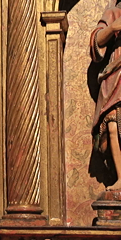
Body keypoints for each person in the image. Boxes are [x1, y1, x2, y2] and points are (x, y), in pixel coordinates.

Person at [90, 0, 121, 191]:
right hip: (116, 73)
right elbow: (96, 39)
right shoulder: (114, 12)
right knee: (112, 124)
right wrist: (113, 28)